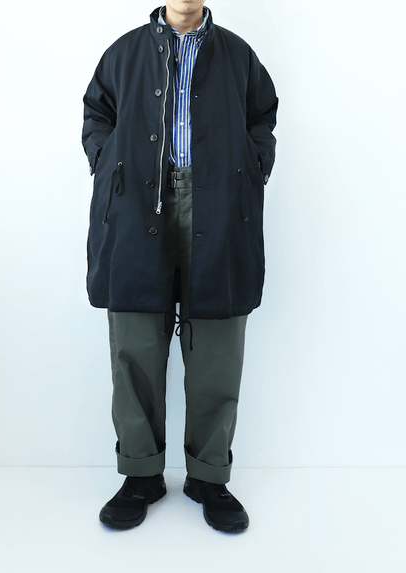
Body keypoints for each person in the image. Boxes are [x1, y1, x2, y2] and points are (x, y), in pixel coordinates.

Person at [81, 0, 278, 533]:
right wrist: (108, 160)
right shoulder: (124, 53)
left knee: (217, 345)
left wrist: (254, 163)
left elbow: (262, 115)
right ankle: (140, 474)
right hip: (137, 203)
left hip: (218, 201)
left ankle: (209, 476)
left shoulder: (238, 55)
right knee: (135, 340)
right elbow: (96, 113)